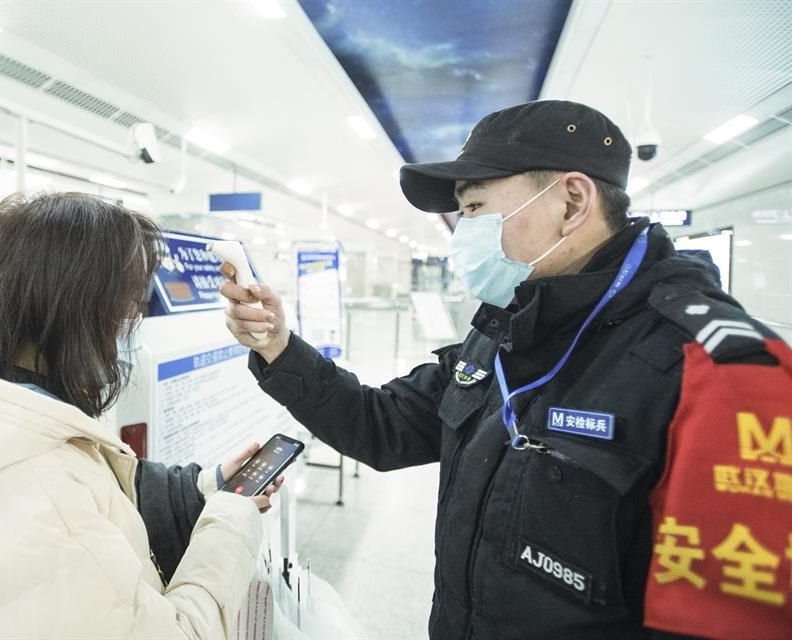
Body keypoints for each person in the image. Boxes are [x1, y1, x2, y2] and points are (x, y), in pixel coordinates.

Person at [220, 101, 792, 639]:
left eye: (474, 208)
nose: (464, 234)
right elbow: (382, 424)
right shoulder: (505, 328)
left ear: (571, 202)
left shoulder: (714, 373)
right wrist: (278, 345)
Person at [0, 192, 278, 640]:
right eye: (128, 303)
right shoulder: (37, 497)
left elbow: (96, 498)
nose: (128, 319)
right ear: (78, 307)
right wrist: (231, 520)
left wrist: (208, 487)